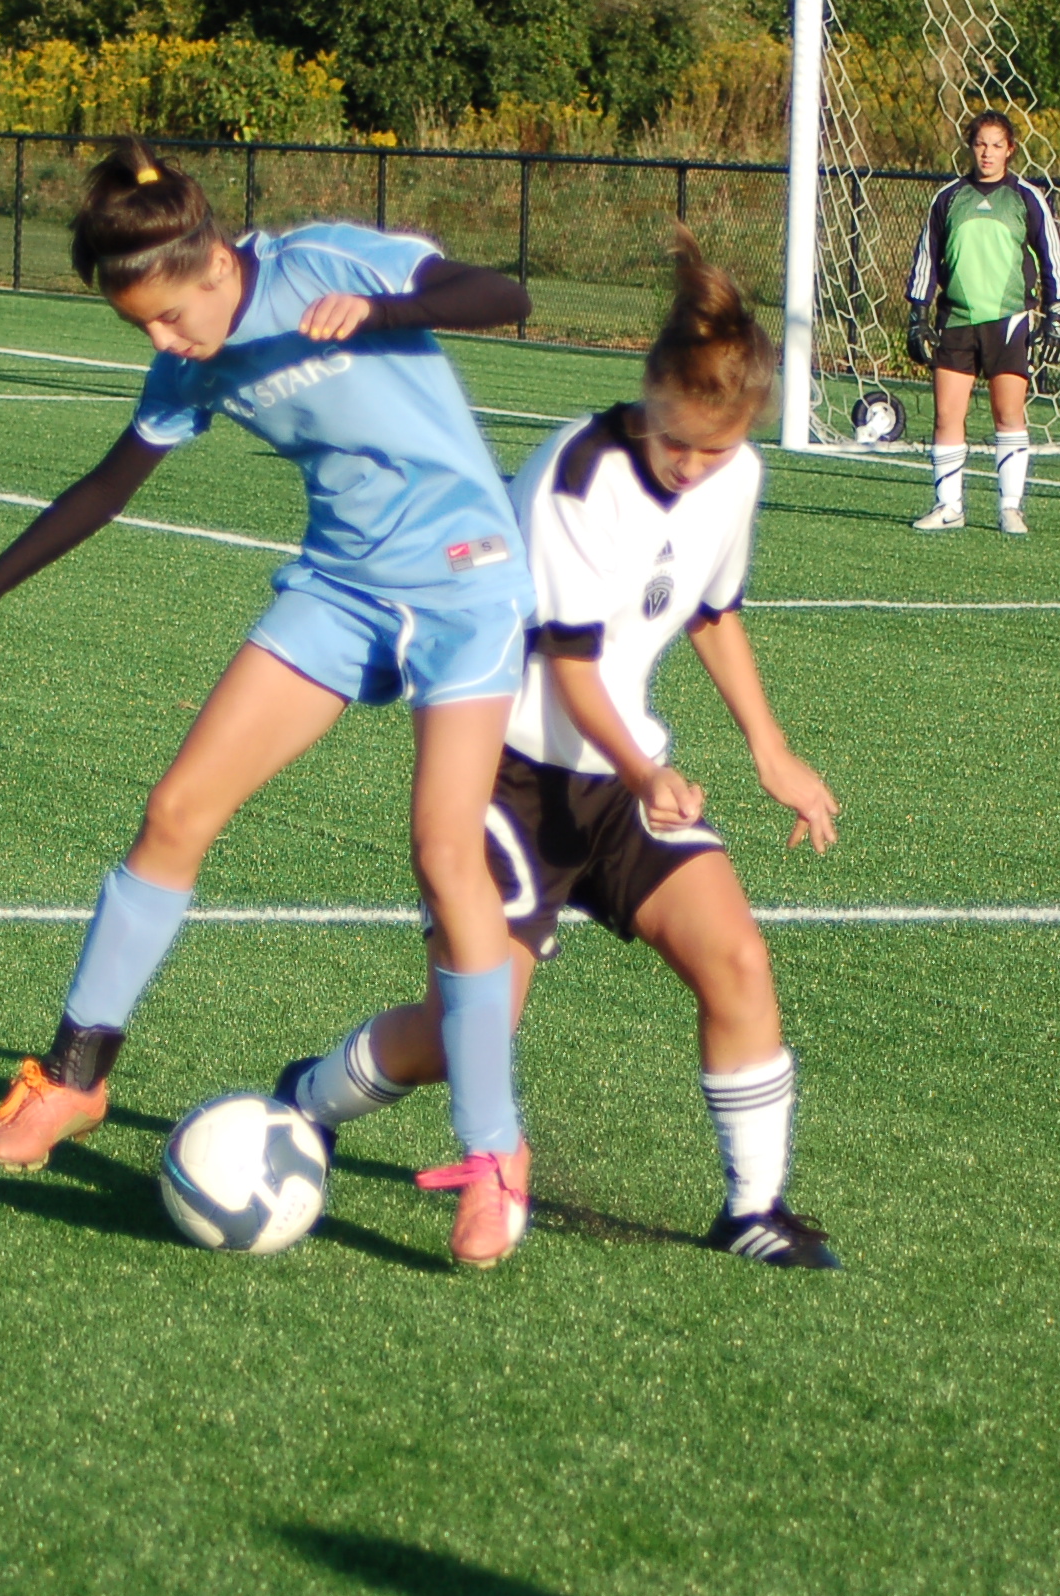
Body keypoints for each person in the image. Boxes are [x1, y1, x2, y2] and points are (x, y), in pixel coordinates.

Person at [0, 143, 544, 1266]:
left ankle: (492, 1154)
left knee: (444, 851)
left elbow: (505, 296)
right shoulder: (190, 360)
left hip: (467, 582)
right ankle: (75, 1077)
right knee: (176, 810)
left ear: (214, 261)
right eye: (142, 329)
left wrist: (386, 310)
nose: (164, 343)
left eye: (168, 317)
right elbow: (110, 483)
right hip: (339, 590)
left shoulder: (324, 263)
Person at [276, 229, 846, 1267]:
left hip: (622, 780)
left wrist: (771, 748)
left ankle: (752, 1207)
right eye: (678, 443)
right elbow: (571, 667)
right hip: (511, 774)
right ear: (648, 393)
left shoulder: (736, 475)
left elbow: (712, 611)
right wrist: (646, 771)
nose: (692, 467)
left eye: (715, 450)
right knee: (470, 1029)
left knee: (736, 958)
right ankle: (309, 1096)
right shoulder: (576, 478)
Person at [904, 110, 1060, 536]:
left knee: (1008, 414)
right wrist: (917, 315)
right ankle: (948, 506)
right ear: (970, 147)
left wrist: (1058, 312)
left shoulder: (1026, 198)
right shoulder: (948, 198)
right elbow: (927, 258)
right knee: (946, 416)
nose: (988, 153)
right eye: (981, 144)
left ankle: (1010, 508)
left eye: (997, 145)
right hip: (957, 318)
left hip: (1008, 321)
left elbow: (1052, 258)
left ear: (1010, 150)